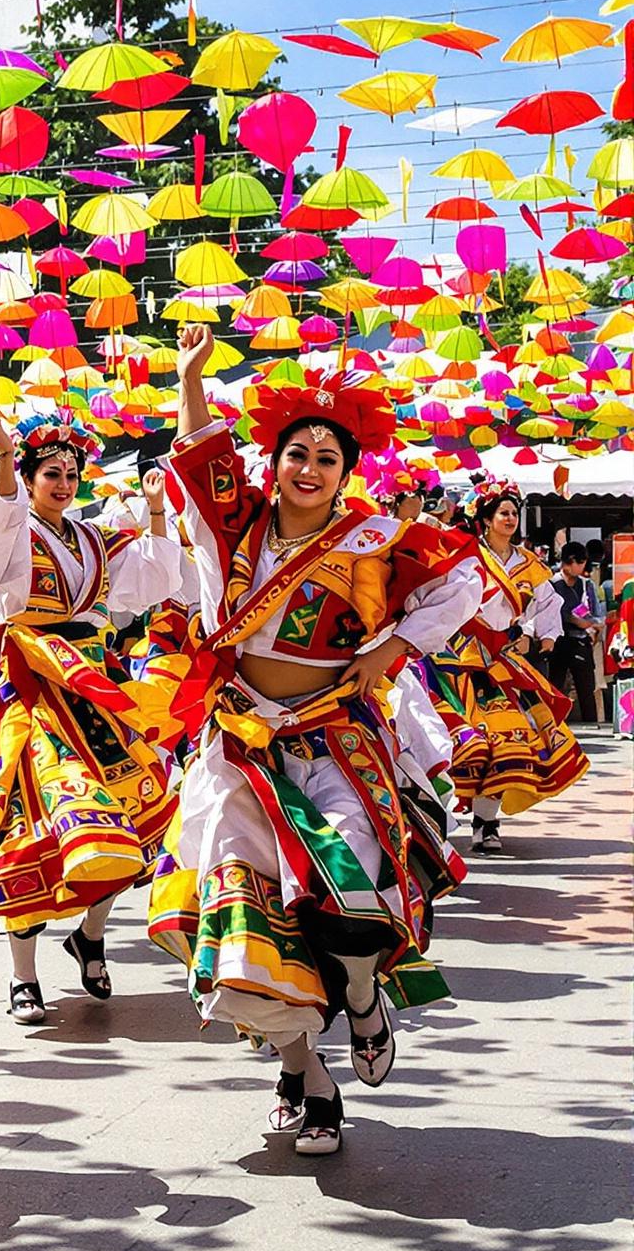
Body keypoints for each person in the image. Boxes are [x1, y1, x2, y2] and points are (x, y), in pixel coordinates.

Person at [150, 326, 481, 1158]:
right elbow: (198, 459)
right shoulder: (240, 527)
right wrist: (192, 376)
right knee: (244, 914)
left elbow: (461, 579)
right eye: (296, 452)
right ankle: (310, 1080)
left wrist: (391, 649)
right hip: (240, 743)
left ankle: (365, 997)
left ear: (347, 472)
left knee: (354, 882)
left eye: (326, 459)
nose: (308, 468)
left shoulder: (375, 540)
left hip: (336, 737)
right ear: (277, 461)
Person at [0, 420, 184, 1025]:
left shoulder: (93, 540)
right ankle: (24, 975)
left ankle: (91, 936)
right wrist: (1, 459)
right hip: (30, 693)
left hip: (94, 694)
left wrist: (154, 512)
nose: (64, 484)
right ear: (28, 479)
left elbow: (155, 582)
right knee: (28, 828)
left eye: (72, 474)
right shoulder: (12, 534)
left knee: (129, 818)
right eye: (51, 474)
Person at [433, 480, 587, 852]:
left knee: (509, 740)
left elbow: (547, 603)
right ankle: (435, 821)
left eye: (514, 513)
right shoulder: (465, 554)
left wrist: (541, 634)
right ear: (485, 518)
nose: (510, 519)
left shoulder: (527, 563)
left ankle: (486, 824)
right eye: (503, 512)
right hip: (455, 658)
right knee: (455, 742)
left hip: (502, 660)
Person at [547, 543, 602, 725]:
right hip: (558, 641)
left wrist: (590, 624)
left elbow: (597, 613)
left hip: (581, 639)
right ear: (569, 562)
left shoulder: (586, 585)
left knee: (586, 688)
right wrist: (570, 619)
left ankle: (591, 724)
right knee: (555, 685)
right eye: (580, 564)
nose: (582, 568)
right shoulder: (552, 583)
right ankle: (553, 724)